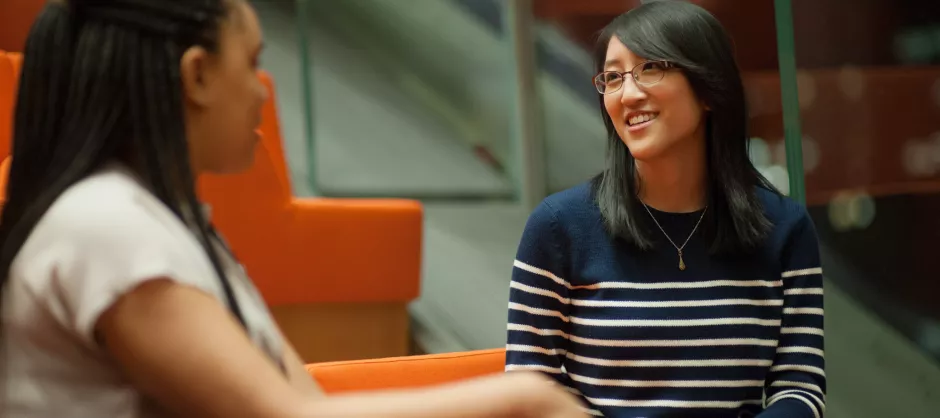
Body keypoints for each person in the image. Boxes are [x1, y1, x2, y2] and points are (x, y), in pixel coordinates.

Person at [0, 1, 589, 417]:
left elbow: (301, 401)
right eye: (252, 62)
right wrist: (521, 400)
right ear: (198, 76)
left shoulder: (166, 221)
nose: (263, 88)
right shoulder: (106, 226)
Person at [505, 2, 826, 418]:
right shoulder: (558, 227)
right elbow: (529, 389)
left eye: (650, 68)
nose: (629, 93)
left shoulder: (785, 229)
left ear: (708, 88)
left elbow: (800, 389)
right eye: (614, 77)